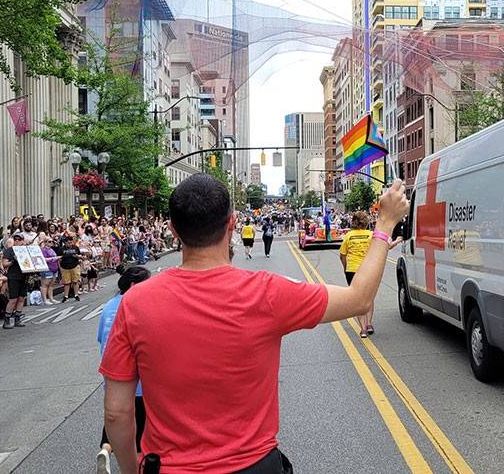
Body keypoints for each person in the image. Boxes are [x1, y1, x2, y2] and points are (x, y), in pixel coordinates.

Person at [100, 174, 408, 473]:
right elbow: (360, 298)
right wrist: (384, 224)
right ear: (232, 223)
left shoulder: (134, 302)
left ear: (173, 231)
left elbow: (117, 412)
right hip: (254, 466)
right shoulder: (267, 292)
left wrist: (130, 468)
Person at [96, 265, 152, 474]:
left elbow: (101, 338)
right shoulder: (138, 305)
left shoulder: (109, 306)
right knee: (138, 437)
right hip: (137, 382)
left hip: (112, 377)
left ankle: (106, 448)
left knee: (116, 416)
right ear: (133, 285)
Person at [340, 212, 374, 338]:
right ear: (366, 222)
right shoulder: (371, 235)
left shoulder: (348, 236)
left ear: (353, 222)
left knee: (358, 299)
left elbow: (342, 255)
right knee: (369, 297)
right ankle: (369, 324)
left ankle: (363, 328)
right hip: (368, 270)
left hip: (352, 269)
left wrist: (345, 268)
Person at [1, 233, 28, 329]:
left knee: (21, 298)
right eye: (15, 239)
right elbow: (4, 264)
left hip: (24, 275)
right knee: (13, 299)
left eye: (19, 240)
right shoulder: (9, 251)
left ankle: (18, 318)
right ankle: (7, 319)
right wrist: (13, 261)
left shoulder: (26, 250)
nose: (17, 241)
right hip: (13, 276)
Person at [59, 235, 83, 302]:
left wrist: (77, 256)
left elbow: (80, 256)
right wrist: (60, 267)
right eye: (68, 242)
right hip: (65, 267)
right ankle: (66, 296)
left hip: (74, 266)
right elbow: (59, 259)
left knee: (75, 281)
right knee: (66, 283)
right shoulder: (61, 249)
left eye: (71, 242)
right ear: (65, 242)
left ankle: (76, 295)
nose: (70, 244)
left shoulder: (75, 248)